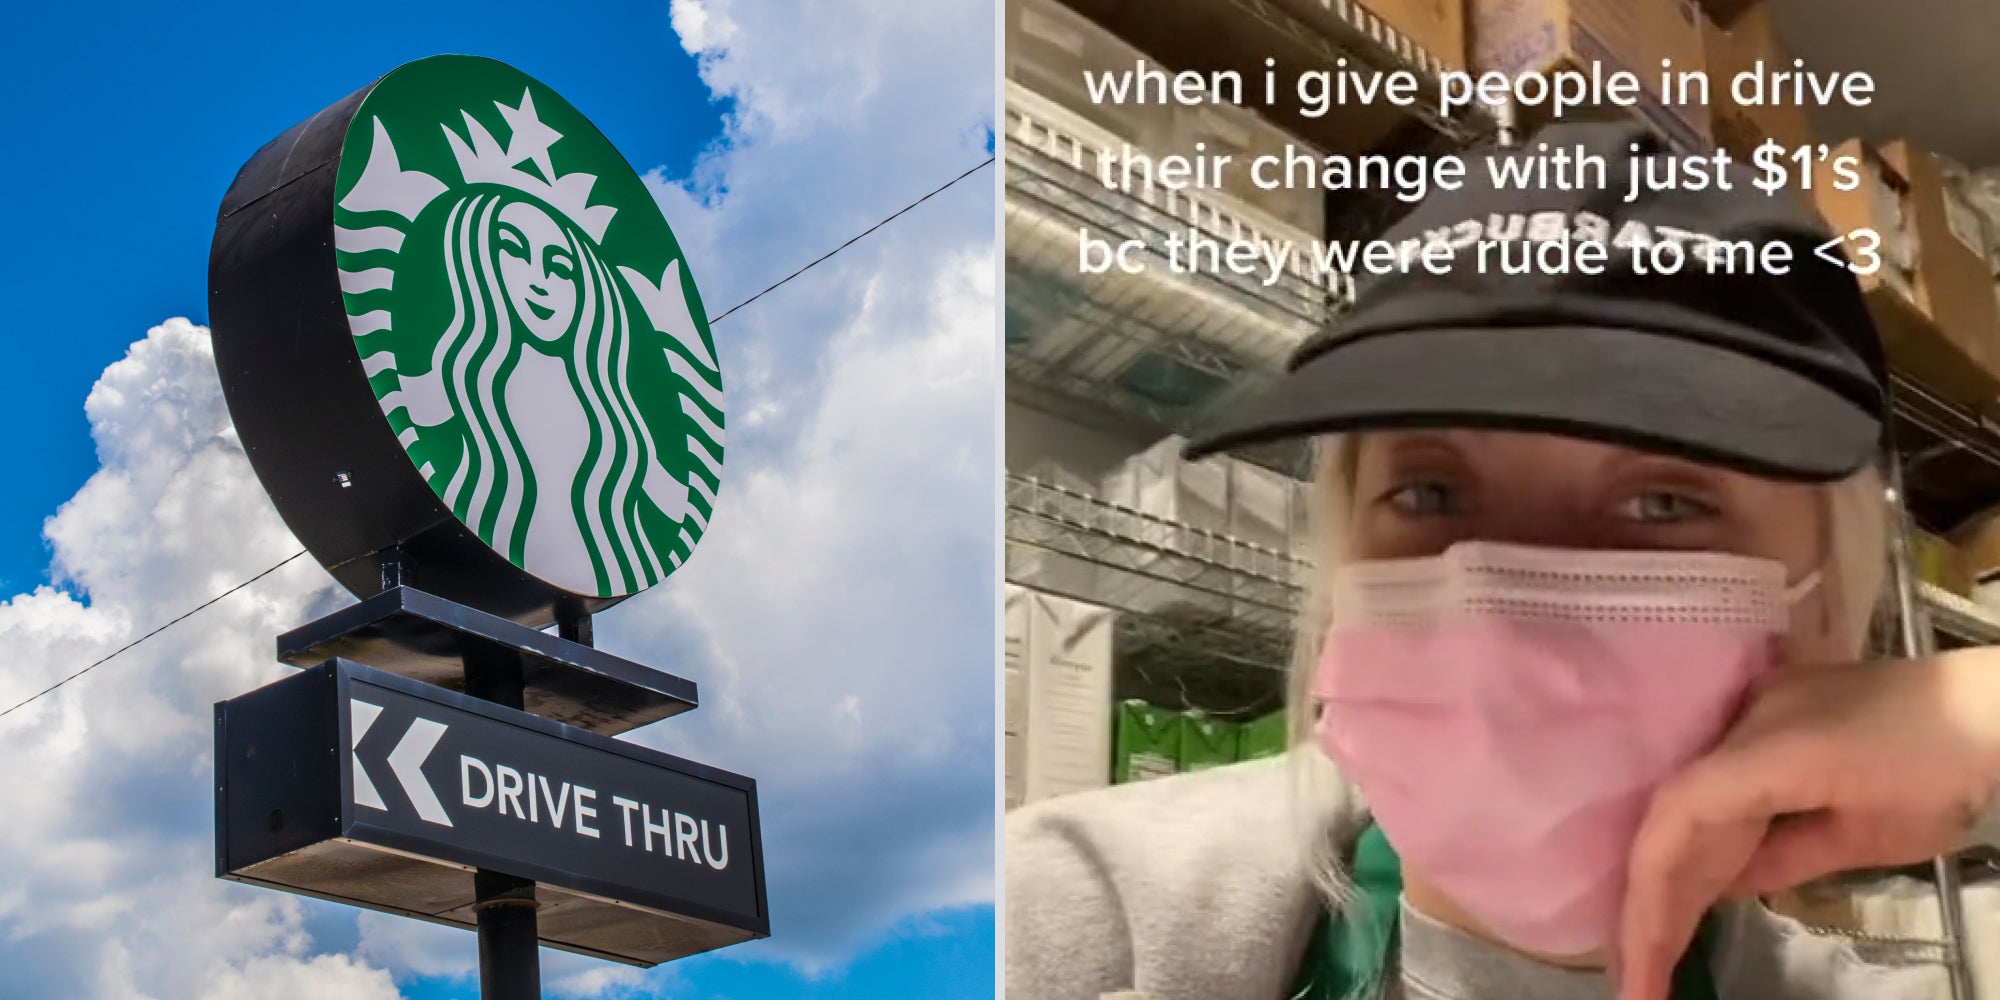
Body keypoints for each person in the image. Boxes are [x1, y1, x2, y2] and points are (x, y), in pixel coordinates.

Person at [1005, 122, 2000, 1000]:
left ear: (1824, 597)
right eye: (1428, 492)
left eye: (1662, 501)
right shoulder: (1082, 912)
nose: (1507, 604)